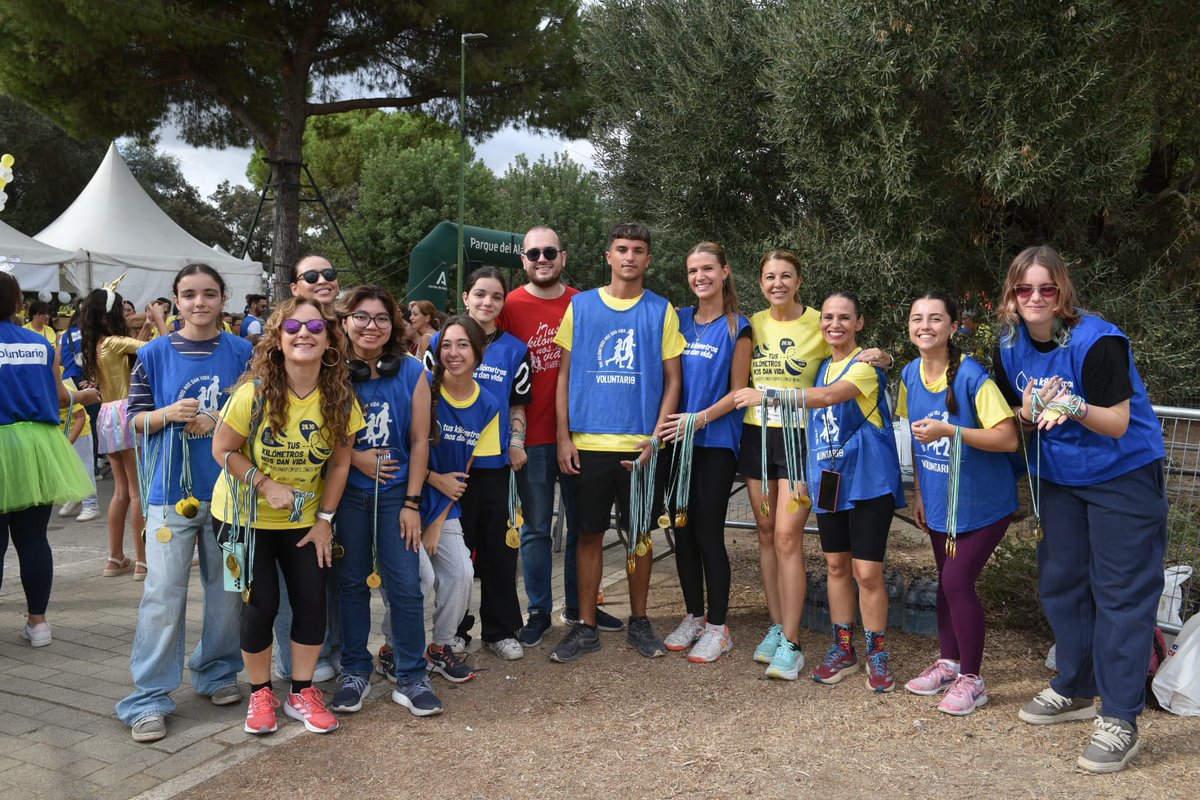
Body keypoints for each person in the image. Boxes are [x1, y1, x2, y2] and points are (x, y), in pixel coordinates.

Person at [993, 246, 1167, 773]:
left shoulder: (1098, 341)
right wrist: (1029, 408)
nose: (1036, 299)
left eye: (1047, 289)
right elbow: (1019, 412)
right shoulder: (1009, 341)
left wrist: (1073, 405)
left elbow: (1116, 422)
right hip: (1062, 478)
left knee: (1121, 593)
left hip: (1122, 476)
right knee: (1063, 581)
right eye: (1026, 290)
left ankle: (1119, 717)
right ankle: (1074, 686)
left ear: (1063, 292)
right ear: (1012, 296)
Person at [735, 250, 892, 681]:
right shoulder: (753, 323)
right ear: (761, 281)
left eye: (786, 275)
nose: (777, 283)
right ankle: (776, 627)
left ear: (799, 281)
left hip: (801, 440)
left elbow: (849, 362)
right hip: (758, 435)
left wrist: (884, 357)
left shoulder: (817, 325)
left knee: (787, 536)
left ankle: (793, 640)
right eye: (769, 276)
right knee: (767, 534)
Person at [211, 297, 363, 736]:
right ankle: (261, 693)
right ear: (277, 340)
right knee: (261, 605)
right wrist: (264, 484)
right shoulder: (253, 393)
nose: (304, 333)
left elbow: (339, 464)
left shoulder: (339, 398)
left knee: (312, 603)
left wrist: (325, 520)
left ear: (330, 340)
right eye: (292, 326)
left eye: (315, 326)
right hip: (242, 518)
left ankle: (301, 691)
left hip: (305, 521)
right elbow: (222, 450)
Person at [115, 264, 254, 743]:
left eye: (209, 294)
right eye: (190, 294)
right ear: (176, 300)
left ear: (222, 299)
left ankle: (217, 672)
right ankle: (149, 696)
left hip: (231, 497)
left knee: (229, 591)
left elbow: (259, 412)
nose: (199, 303)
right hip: (169, 496)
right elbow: (132, 420)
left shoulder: (245, 352)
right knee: (162, 595)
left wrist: (218, 418)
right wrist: (167, 415)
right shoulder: (152, 354)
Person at [551, 222, 685, 663]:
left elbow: (672, 381)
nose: (630, 257)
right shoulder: (581, 306)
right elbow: (564, 376)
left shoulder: (661, 310)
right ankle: (586, 626)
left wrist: (656, 438)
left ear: (649, 259)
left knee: (639, 535)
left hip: (640, 447)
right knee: (588, 534)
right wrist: (563, 437)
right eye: (622, 249)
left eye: (639, 250)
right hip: (587, 443)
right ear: (607, 256)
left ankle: (640, 622)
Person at [499, 226, 624, 647]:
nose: (541, 258)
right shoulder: (509, 305)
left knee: (584, 527)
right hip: (530, 437)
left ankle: (579, 606)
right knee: (535, 528)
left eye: (549, 251)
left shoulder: (585, 303)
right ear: (523, 260)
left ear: (563, 257)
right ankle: (538, 610)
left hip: (581, 434)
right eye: (532, 252)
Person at [898, 291, 1018, 715]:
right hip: (938, 502)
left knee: (955, 583)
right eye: (917, 319)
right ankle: (948, 664)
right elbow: (915, 434)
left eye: (935, 319)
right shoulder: (910, 374)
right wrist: (919, 494)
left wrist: (952, 433)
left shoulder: (971, 377)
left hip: (983, 503)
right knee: (946, 582)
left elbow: (1007, 437)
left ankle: (973, 678)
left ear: (952, 327)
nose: (925, 326)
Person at [329, 285, 441, 717]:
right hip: (348, 497)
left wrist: (412, 503)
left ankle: (412, 675)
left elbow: (419, 440)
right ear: (345, 322)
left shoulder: (412, 371)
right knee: (352, 584)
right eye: (361, 317)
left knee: (406, 587)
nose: (370, 326)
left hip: (397, 498)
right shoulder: (330, 370)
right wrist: (356, 459)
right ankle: (355, 671)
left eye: (380, 318)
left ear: (392, 325)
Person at [427, 268, 532, 659]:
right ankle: (454, 630)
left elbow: (518, 403)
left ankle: (500, 629)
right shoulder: (441, 341)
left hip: (494, 464)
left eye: (496, 297)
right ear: (466, 297)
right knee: (456, 554)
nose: (487, 303)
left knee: (500, 550)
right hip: (449, 465)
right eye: (480, 294)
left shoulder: (515, 349)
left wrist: (517, 441)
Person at [653, 242, 750, 663]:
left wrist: (701, 418)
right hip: (677, 442)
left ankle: (718, 626)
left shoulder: (738, 327)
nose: (700, 277)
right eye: (693, 271)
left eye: (707, 269)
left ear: (725, 271)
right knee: (682, 531)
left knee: (709, 533)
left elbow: (739, 392)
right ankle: (693, 615)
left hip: (715, 443)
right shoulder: (676, 320)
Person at [0, 269, 98, 647]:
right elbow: (58, 396)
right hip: (37, 445)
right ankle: (39, 623)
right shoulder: (39, 344)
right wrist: (84, 398)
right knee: (33, 540)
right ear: (16, 303)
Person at [420, 315, 502, 683]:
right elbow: (404, 452)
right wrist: (433, 478)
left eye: (462, 345)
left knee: (461, 574)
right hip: (404, 495)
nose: (453, 353)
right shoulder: (423, 387)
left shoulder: (488, 404)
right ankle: (392, 648)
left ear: (478, 351)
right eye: (446, 345)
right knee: (418, 578)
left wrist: (437, 524)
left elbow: (462, 472)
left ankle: (440, 647)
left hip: (441, 506)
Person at [274, 254, 343, 683]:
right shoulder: (287, 337)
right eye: (311, 275)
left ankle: (331, 649)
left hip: (337, 480)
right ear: (295, 286)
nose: (322, 280)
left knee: (329, 577)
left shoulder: (350, 331)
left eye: (329, 274)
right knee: (289, 584)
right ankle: (295, 661)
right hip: (286, 492)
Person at [81, 286, 167, 580]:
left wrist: (145, 328)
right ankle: (143, 561)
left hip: (107, 415)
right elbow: (163, 349)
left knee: (121, 490)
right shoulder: (116, 341)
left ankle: (115, 557)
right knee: (137, 490)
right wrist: (159, 319)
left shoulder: (100, 343)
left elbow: (128, 358)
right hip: (127, 413)